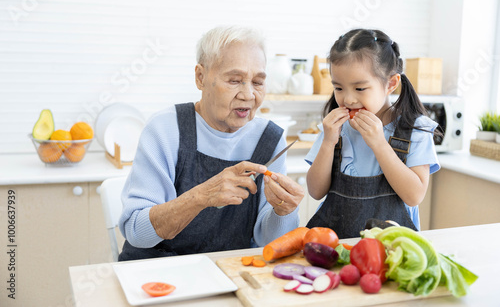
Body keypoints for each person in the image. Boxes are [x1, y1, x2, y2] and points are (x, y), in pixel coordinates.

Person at [118, 25, 304, 261]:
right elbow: (136, 232)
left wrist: (284, 211)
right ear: (201, 77)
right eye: (235, 80)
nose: (248, 94)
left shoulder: (270, 139)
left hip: (229, 270)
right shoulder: (165, 129)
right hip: (158, 270)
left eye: (257, 82)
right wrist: (200, 197)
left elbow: (270, 244)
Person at [305, 29, 440, 238]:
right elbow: (315, 191)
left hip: (391, 252)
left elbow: (414, 196)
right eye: (339, 88)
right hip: (335, 249)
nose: (348, 99)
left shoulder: (415, 129)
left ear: (391, 84)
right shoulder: (335, 128)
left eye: (360, 89)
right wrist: (328, 142)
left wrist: (379, 144)